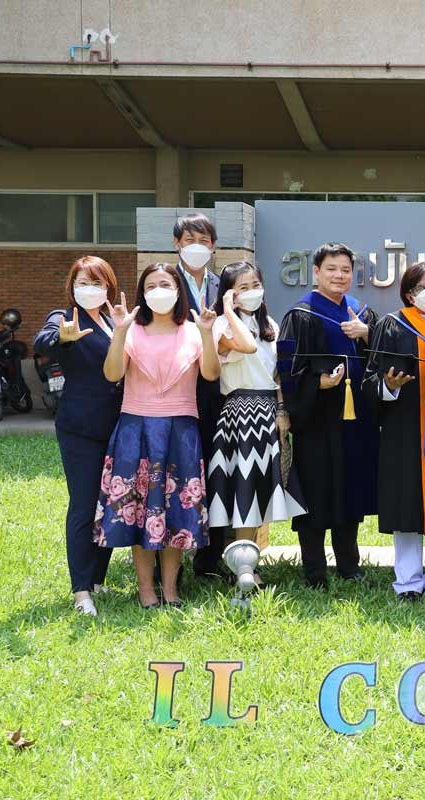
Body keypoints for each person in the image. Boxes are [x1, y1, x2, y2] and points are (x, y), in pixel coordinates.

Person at [94, 263, 220, 609]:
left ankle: (171, 589)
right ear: (142, 293)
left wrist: (207, 334)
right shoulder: (131, 329)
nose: (158, 291)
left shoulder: (193, 330)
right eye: (151, 286)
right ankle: (146, 589)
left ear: (179, 290)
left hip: (181, 430)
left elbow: (211, 374)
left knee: (175, 511)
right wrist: (119, 332)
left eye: (165, 284)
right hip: (137, 429)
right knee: (140, 511)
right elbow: (112, 374)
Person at [276, 243, 378, 588]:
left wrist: (367, 335)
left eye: (345, 270)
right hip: (317, 421)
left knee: (350, 490)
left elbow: (382, 359)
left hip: (355, 420)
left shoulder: (361, 313)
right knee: (316, 491)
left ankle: (349, 565)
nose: (339, 275)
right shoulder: (301, 314)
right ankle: (314, 570)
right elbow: (287, 370)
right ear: (316, 272)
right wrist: (316, 384)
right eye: (332, 269)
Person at [33, 256, 124, 616]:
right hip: (81, 428)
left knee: (111, 503)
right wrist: (61, 337)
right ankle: (81, 591)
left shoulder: (112, 319)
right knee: (85, 505)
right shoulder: (65, 316)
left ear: (108, 287)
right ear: (72, 286)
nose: (89, 288)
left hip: (118, 425)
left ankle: (98, 578)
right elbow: (44, 340)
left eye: (96, 282)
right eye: (82, 282)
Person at [362, 261, 425, 602]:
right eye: (421, 287)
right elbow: (369, 379)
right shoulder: (392, 325)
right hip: (404, 428)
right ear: (409, 294)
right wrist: (389, 386)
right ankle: (408, 581)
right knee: (406, 502)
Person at [205, 261, 306, 575]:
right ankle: (242, 568)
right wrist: (228, 311)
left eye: (256, 285)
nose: (252, 292)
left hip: (268, 411)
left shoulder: (270, 325)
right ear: (229, 293)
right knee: (243, 491)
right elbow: (247, 347)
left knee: (261, 490)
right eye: (243, 288)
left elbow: (277, 374)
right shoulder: (222, 326)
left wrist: (282, 410)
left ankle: (248, 563)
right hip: (239, 412)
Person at [171, 213, 230, 581]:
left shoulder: (222, 284)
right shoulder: (165, 281)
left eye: (204, 241)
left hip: (215, 389)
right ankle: (169, 559)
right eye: (189, 240)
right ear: (177, 244)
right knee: (175, 471)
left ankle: (210, 557)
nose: (197, 246)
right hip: (174, 389)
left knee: (215, 469)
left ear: (213, 246)